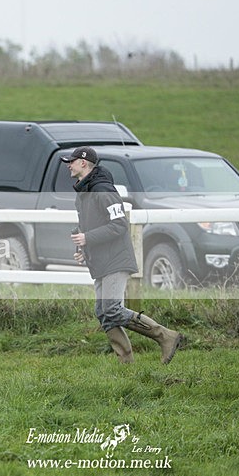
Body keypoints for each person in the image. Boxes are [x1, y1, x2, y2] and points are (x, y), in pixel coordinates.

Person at [63, 146, 183, 364]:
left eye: (71, 161)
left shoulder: (102, 190)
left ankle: (165, 336)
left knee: (111, 309)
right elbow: (87, 225)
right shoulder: (84, 192)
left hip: (115, 259)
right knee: (103, 311)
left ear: (83, 163)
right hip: (101, 259)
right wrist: (83, 250)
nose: (68, 165)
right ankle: (126, 363)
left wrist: (88, 238)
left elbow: (119, 225)